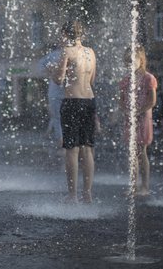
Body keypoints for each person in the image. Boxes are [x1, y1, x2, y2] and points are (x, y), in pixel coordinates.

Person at [54, 20, 97, 203]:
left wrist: (52, 72)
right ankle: (87, 194)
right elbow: (92, 80)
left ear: (65, 33)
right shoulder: (91, 52)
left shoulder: (67, 51)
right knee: (87, 149)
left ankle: (72, 196)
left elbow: (59, 79)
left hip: (72, 101)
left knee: (72, 150)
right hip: (89, 101)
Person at [119, 46, 157, 196]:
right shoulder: (125, 80)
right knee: (132, 153)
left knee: (141, 152)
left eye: (132, 61)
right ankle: (133, 186)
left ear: (140, 60)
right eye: (127, 61)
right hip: (130, 118)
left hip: (143, 119)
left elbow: (152, 101)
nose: (129, 64)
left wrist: (138, 112)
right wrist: (127, 111)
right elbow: (121, 101)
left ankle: (145, 187)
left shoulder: (149, 78)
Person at [38, 43, 65, 151]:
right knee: (67, 117)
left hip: (54, 91)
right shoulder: (71, 54)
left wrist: (50, 72)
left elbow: (40, 66)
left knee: (57, 118)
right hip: (69, 91)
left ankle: (61, 141)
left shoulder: (51, 56)